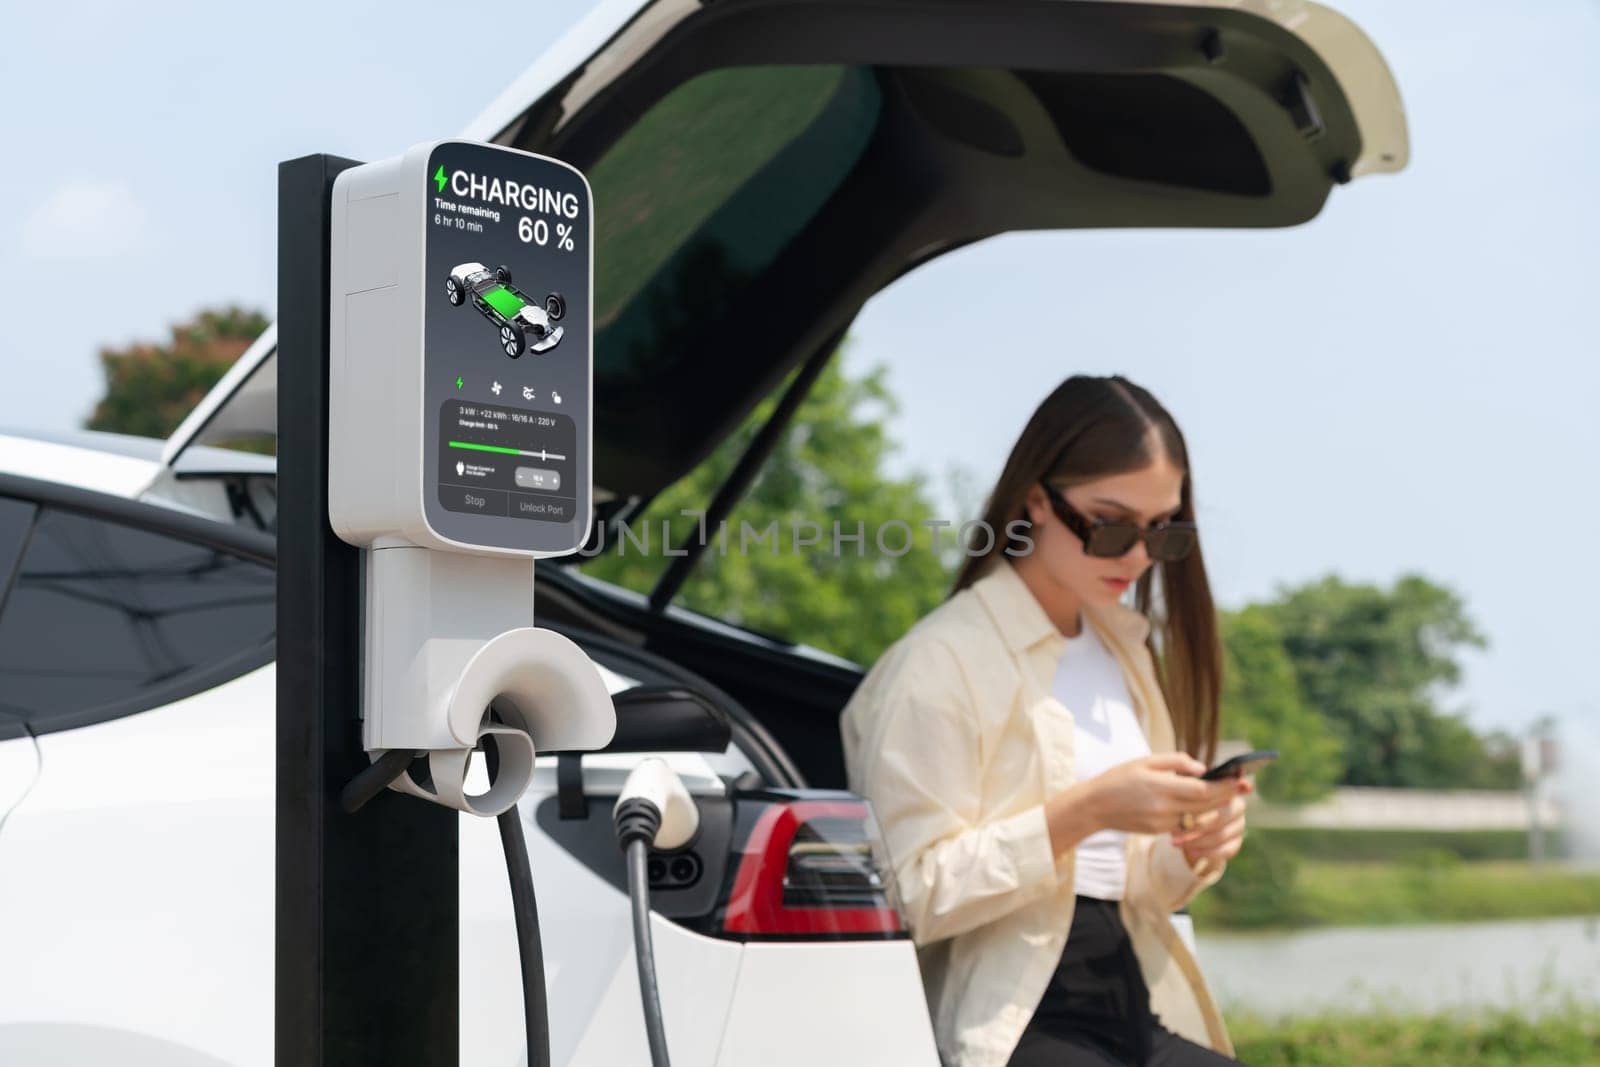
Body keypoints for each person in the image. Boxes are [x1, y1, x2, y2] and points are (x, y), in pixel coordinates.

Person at [840, 374, 1254, 1066]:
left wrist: (1191, 847)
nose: (1137, 556)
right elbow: (904, 896)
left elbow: (1131, 881)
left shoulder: (1124, 649)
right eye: (1111, 523)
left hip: (1127, 999)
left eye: (1164, 531)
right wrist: (1087, 811)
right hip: (1014, 1019)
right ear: (1036, 496)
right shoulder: (940, 662)